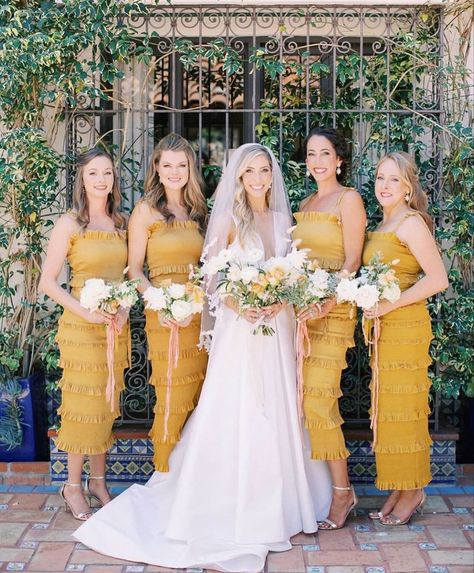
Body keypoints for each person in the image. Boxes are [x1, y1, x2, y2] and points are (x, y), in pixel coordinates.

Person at [73, 143, 331, 572]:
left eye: (264, 171)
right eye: (249, 172)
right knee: (236, 405)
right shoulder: (226, 218)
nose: (257, 179)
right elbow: (212, 277)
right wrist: (239, 303)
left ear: (272, 175)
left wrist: (278, 298)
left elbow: (292, 273)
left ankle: (284, 501)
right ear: (239, 177)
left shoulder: (287, 221)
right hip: (238, 327)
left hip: (276, 327)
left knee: (279, 404)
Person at [39, 148, 129, 520]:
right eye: (93, 173)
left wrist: (122, 309)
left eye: (107, 173)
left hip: (114, 329)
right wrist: (86, 313)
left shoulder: (121, 222)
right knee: (81, 409)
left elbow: (126, 276)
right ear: (82, 179)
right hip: (81, 328)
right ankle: (72, 486)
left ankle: (98, 481)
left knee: (106, 406)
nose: (101, 179)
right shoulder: (69, 224)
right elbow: (48, 283)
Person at [363, 151, 448, 525]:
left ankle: (414, 489)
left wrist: (386, 304)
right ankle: (401, 484)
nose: (385, 186)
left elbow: (437, 279)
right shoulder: (383, 225)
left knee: (405, 411)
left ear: (408, 186)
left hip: (405, 328)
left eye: (393, 179)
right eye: (381, 178)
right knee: (387, 411)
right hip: (384, 329)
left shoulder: (410, 223)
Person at [293, 127, 367, 530]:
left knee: (318, 402)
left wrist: (328, 302)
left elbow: (352, 261)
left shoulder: (348, 199)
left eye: (325, 153)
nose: (318, 161)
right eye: (311, 154)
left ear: (339, 159)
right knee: (305, 402)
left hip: (333, 311)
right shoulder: (306, 202)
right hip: (302, 313)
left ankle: (343, 493)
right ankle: (320, 488)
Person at [127, 133, 208, 471]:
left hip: (198, 317)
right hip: (163, 318)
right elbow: (134, 270)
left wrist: (194, 304)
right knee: (171, 397)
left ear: (190, 169)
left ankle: (190, 479)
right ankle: (164, 475)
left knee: (198, 396)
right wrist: (162, 305)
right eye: (168, 165)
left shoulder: (200, 211)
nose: (175, 172)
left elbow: (210, 269)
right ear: (157, 169)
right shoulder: (145, 211)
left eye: (182, 165)